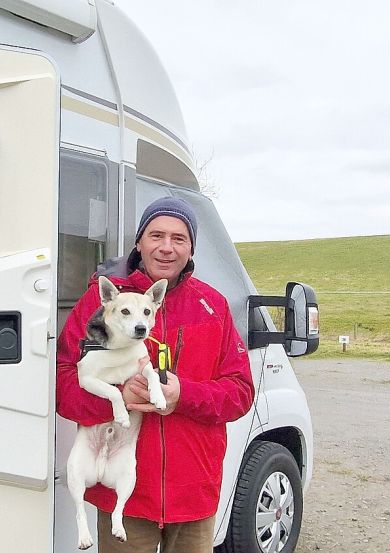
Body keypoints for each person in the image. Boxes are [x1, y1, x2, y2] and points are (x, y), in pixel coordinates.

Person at [56, 196, 254, 552]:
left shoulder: (213, 307)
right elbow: (63, 383)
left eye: (179, 238)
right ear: (138, 242)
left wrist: (184, 395)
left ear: (191, 248)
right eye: (156, 235)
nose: (166, 247)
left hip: (193, 494)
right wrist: (116, 399)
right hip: (125, 494)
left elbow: (240, 392)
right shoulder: (100, 304)